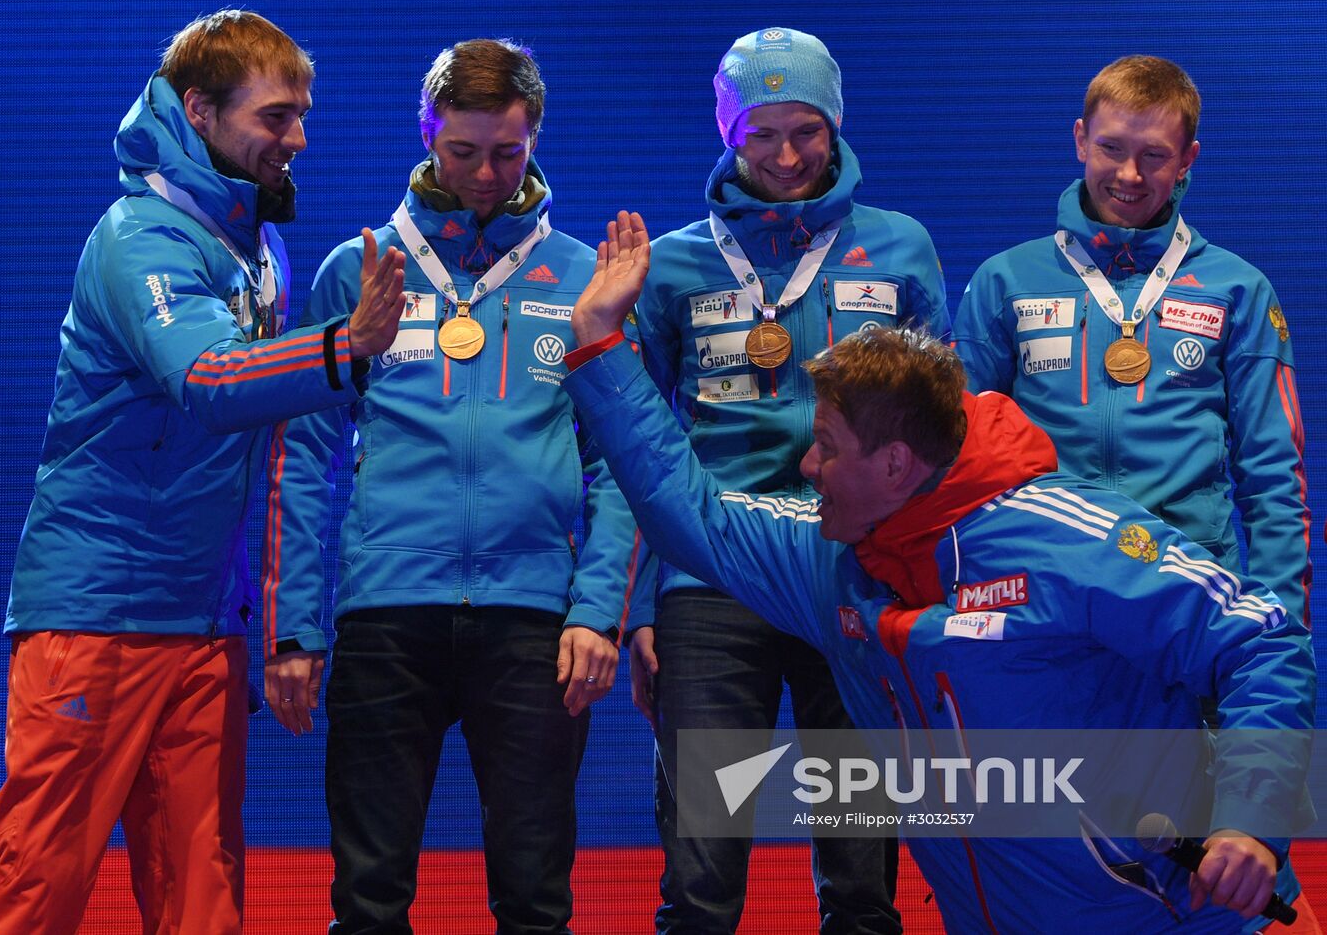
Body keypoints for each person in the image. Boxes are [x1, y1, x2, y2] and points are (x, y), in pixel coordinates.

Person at [558, 211, 1315, 933]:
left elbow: (1262, 640)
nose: (804, 465)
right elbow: (689, 513)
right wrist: (597, 341)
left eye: (824, 444)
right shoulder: (832, 558)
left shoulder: (1073, 541)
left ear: (893, 464)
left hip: (1178, 921)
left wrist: (1251, 818)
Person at [0, 9, 407, 935]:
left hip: (204, 625)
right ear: (199, 111)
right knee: (34, 887)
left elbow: (266, 427)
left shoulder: (256, 247)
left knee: (203, 898)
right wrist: (347, 346)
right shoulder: (141, 237)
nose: (298, 137)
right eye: (276, 116)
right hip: (96, 617)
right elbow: (208, 380)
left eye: (302, 115)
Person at [261, 39, 637, 934]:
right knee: (368, 898)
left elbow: (620, 463)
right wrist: (295, 630)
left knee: (536, 899)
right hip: (389, 616)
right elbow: (302, 460)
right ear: (427, 131)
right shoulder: (358, 272)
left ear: (535, 135)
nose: (484, 175)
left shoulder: (584, 277)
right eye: (462, 151)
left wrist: (595, 611)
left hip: (534, 621)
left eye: (508, 152)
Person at [626, 27, 946, 933]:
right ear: (726, 132)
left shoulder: (902, 247)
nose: (787, 155)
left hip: (851, 571)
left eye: (805, 128)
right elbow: (639, 452)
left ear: (835, 124)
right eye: (758, 133)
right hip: (712, 577)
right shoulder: (675, 264)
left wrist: (924, 582)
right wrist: (641, 607)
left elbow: (938, 438)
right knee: (703, 867)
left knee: (860, 871)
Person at [953, 55, 1310, 633]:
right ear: (1080, 139)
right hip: (1040, 583)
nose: (1129, 175)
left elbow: (1273, 475)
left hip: (1191, 586)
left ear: (1188, 160)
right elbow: (954, 450)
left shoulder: (1238, 289)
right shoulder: (1005, 280)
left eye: (1154, 156)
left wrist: (1280, 629)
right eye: (1112, 148)